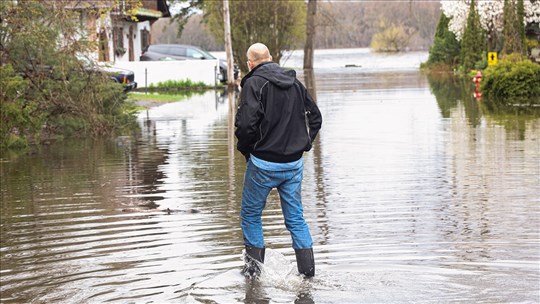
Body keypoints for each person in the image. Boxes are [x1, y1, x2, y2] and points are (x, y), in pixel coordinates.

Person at [235, 43, 322, 277]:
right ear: (271, 58)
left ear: (250, 63)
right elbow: (315, 118)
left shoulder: (253, 83)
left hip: (263, 163)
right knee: (295, 219)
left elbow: (245, 126)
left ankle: (253, 275)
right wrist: (303, 144)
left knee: (251, 215)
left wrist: (247, 151)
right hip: (293, 164)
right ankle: (308, 276)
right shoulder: (294, 83)